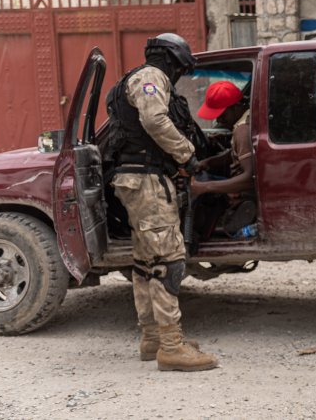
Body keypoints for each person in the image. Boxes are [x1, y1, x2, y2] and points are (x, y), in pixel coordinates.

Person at [104, 32, 219, 372]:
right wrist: (186, 154)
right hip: (148, 182)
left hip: (136, 181)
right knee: (168, 260)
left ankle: (153, 337)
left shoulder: (136, 79)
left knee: (145, 261)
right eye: (181, 68)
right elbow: (154, 120)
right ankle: (171, 345)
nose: (180, 75)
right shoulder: (151, 77)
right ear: (172, 60)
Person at [190, 81, 257, 237]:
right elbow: (234, 153)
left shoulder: (242, 131)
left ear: (235, 107)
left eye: (222, 115)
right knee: (206, 180)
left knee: (204, 192)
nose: (219, 121)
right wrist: (208, 162)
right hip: (237, 186)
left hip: (243, 193)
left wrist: (205, 188)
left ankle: (237, 213)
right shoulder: (244, 120)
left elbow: (249, 178)